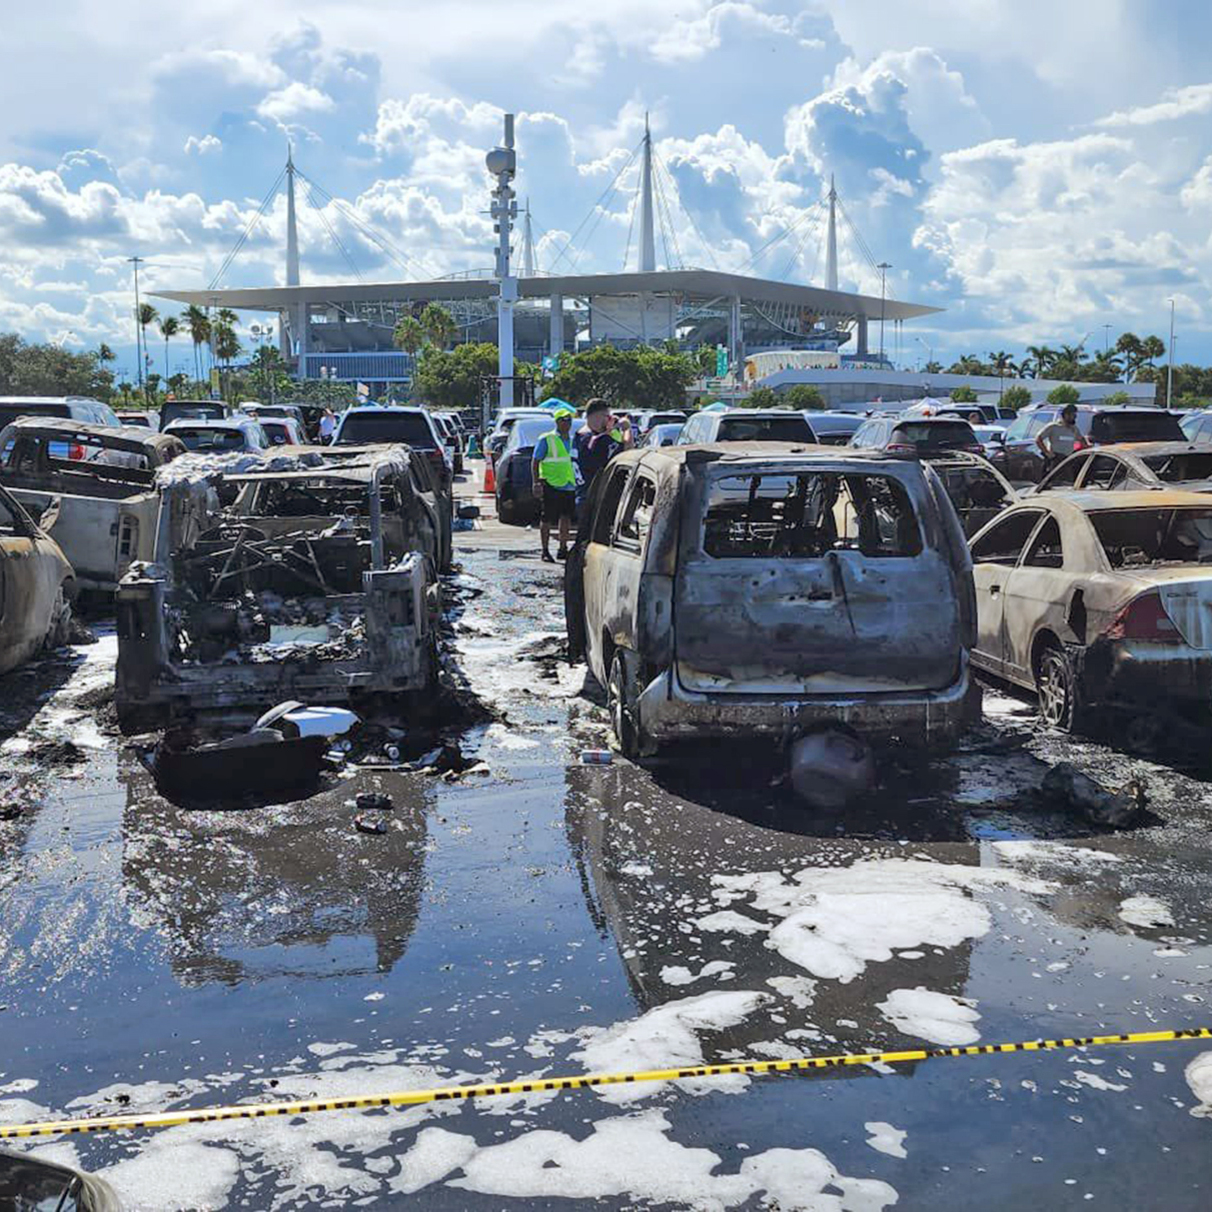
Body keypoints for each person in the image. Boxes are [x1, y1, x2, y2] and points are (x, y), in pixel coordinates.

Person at [532, 406, 577, 563]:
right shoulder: (547, 439)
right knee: (547, 518)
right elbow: (536, 461)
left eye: (569, 420)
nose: (567, 423)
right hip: (550, 483)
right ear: (557, 422)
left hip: (568, 483)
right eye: (564, 420)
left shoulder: (573, 440)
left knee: (566, 517)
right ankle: (545, 550)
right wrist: (536, 482)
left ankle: (562, 548)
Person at [573, 398, 633, 517]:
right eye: (607, 416)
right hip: (597, 498)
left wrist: (608, 430)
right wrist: (626, 428)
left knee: (585, 534)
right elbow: (628, 450)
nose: (609, 420)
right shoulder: (598, 440)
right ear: (598, 416)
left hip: (583, 495)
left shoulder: (579, 436)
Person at [1035, 403, 1082, 471]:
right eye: (1071, 414)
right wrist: (1047, 453)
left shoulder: (1074, 429)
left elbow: (1081, 439)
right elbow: (1038, 439)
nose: (1074, 417)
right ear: (1065, 415)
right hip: (1055, 460)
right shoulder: (1053, 427)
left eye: (1074, 415)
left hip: (1068, 460)